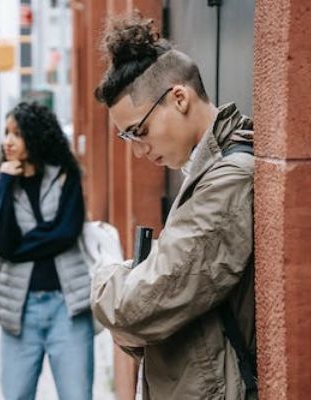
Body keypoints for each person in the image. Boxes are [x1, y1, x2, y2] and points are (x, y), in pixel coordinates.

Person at [90, 15, 256, 400]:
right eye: (127, 137)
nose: (138, 150)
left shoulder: (228, 179)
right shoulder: (204, 171)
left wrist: (105, 277)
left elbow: (134, 308)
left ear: (179, 98)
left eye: (140, 131)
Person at [0, 102, 94, 400]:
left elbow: (65, 233)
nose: (8, 141)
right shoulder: (0, 182)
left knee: (77, 396)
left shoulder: (65, 175)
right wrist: (5, 182)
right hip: (19, 310)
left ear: (36, 136)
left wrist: (16, 248)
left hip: (67, 307)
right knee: (16, 395)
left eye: (17, 134)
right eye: (6, 133)